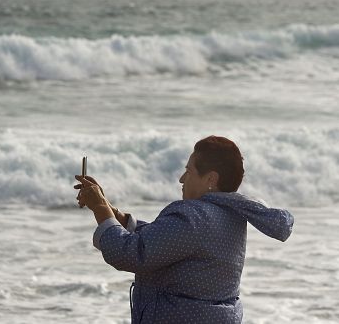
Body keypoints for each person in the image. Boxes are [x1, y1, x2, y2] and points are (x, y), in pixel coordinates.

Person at [75, 135, 294, 323]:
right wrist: (114, 212)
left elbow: (130, 254)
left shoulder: (193, 216)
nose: (181, 179)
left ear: (211, 179)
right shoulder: (230, 213)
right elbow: (164, 239)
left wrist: (100, 208)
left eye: (188, 171)